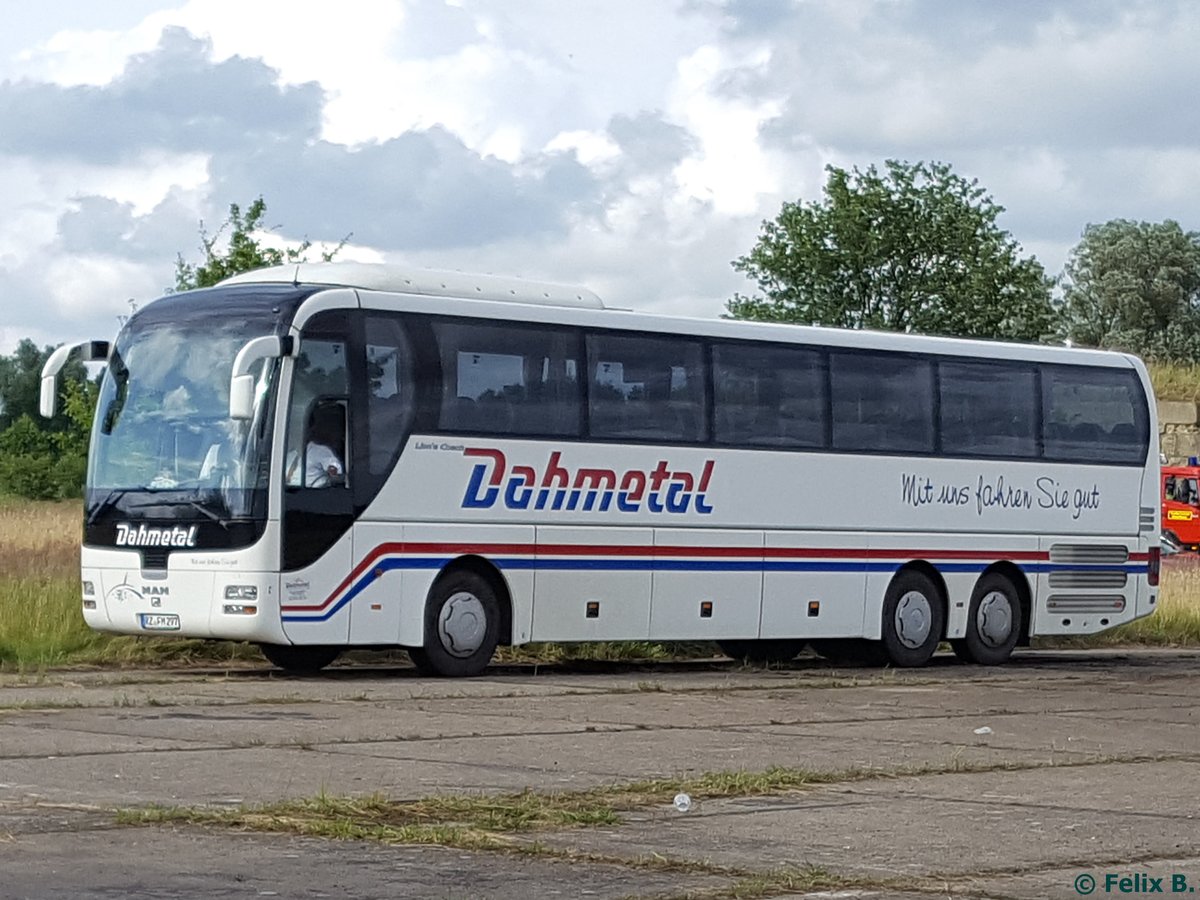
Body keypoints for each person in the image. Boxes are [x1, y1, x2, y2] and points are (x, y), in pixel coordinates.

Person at [287, 403, 345, 487]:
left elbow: (333, 465)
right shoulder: (291, 453)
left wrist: (333, 469)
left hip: (311, 493)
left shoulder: (319, 450)